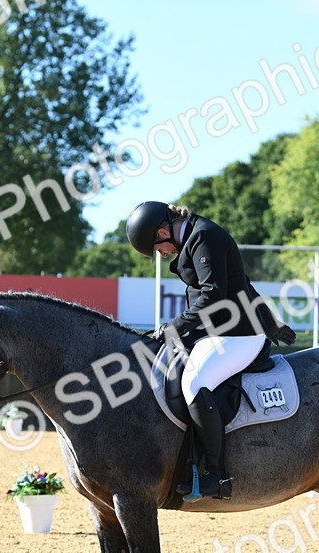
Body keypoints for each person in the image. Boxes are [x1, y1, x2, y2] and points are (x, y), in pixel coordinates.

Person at [125, 201, 296, 500]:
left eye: (157, 248)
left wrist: (174, 326)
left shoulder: (205, 236)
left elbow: (213, 296)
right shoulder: (196, 237)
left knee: (194, 382)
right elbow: (241, 284)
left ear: (164, 231)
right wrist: (272, 321)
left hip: (239, 335)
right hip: (218, 332)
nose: (161, 254)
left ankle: (216, 475)